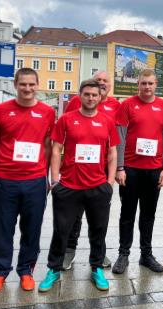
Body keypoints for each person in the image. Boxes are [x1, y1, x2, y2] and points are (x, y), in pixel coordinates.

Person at [38, 79, 119, 292]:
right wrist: (55, 180)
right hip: (69, 186)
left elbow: (112, 153)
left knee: (98, 230)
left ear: (100, 97)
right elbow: (56, 149)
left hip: (97, 187)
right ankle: (53, 269)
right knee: (61, 230)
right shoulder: (66, 119)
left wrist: (109, 183)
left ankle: (96, 268)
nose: (91, 98)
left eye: (95, 95)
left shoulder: (107, 121)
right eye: (87, 94)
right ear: (80, 96)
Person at [0, 68, 56, 294]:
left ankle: (26, 270)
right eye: (23, 84)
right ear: (15, 84)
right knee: (3, 227)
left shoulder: (47, 112)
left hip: (34, 181)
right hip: (4, 180)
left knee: (32, 228)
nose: (27, 88)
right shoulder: (0, 111)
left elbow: (48, 145)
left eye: (31, 84)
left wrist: (45, 176)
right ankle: (0, 271)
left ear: (38, 85)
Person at [112, 69, 163, 274]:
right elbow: (119, 136)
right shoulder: (127, 105)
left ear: (156, 84)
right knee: (127, 214)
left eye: (150, 83)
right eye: (143, 83)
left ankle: (146, 254)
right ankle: (123, 254)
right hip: (130, 169)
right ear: (137, 84)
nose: (146, 87)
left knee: (148, 215)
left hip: (154, 170)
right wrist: (119, 167)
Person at [61, 71, 118, 271]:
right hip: (76, 171)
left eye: (105, 81)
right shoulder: (77, 102)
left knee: (99, 218)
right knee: (74, 215)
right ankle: (69, 250)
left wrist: (114, 173)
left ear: (110, 86)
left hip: (100, 172)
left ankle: (99, 253)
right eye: (98, 80)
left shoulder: (115, 106)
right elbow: (63, 133)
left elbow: (116, 142)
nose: (101, 84)